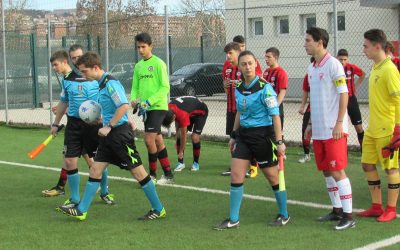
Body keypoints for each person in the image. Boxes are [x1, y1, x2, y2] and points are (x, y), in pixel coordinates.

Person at [59, 52, 166, 221]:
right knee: (95, 169)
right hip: (109, 136)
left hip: (119, 136)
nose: (83, 75)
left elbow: (123, 105)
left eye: (84, 71)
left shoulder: (110, 83)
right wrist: (103, 121)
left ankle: (158, 208)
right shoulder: (101, 84)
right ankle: (82, 210)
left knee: (138, 173)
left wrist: (109, 126)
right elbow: (116, 108)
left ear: (95, 68)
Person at [214, 50, 288, 230]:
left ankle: (284, 214)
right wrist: (233, 135)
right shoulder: (238, 88)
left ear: (256, 64)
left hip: (262, 136)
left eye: (250, 63)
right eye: (243, 64)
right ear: (239, 67)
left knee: (272, 177)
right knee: (236, 174)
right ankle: (233, 219)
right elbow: (239, 111)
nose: (247, 67)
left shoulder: (265, 88)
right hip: (243, 136)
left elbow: (275, 116)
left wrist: (279, 142)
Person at [42, 45, 115, 205]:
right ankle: (74, 197)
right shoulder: (67, 79)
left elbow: (109, 97)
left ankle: (105, 192)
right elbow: (64, 101)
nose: (76, 61)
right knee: (69, 161)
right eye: (73, 58)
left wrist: (106, 117)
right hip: (74, 124)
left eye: (79, 57)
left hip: (94, 124)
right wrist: (55, 123)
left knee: (98, 160)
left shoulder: (97, 77)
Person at [304, 27, 355, 230]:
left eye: (308, 40)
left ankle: (349, 216)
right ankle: (336, 210)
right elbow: (314, 99)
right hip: (318, 130)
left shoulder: (334, 65)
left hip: (334, 129)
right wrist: (309, 124)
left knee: (337, 171)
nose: (305, 44)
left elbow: (344, 94)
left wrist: (340, 123)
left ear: (319, 42)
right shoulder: (312, 68)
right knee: (326, 171)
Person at [357, 29, 400, 222]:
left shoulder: (390, 69)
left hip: (387, 130)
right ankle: (376, 206)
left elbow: (398, 99)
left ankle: (390, 209)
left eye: (366, 46)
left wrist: (397, 129)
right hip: (372, 129)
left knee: (391, 168)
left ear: (377, 46)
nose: (363, 49)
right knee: (367, 164)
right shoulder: (376, 67)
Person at [130, 32, 174, 184]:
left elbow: (165, 87)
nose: (141, 50)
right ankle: (168, 174)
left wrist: (149, 101)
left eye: (143, 47)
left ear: (150, 46)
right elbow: (135, 87)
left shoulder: (158, 63)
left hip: (158, 107)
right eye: (138, 47)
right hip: (145, 109)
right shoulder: (138, 66)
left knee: (149, 140)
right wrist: (133, 99)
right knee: (158, 141)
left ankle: (152, 176)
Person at [221, 41, 259, 178]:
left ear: (238, 52)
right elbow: (226, 88)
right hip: (232, 108)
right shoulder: (227, 66)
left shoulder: (247, 67)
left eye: (230, 53)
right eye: (226, 53)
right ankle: (236, 166)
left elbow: (257, 84)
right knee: (233, 136)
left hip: (247, 111)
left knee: (249, 138)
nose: (228, 56)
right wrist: (225, 85)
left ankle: (253, 167)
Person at [161, 96, 208, 171]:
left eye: (171, 122)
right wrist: (177, 141)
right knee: (179, 135)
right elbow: (177, 129)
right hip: (189, 110)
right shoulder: (169, 108)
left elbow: (184, 136)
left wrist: (181, 151)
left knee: (194, 137)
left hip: (201, 112)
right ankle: (180, 163)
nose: (170, 124)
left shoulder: (182, 114)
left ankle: (196, 163)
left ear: (174, 117)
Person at [337, 49, 366, 150]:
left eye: (345, 59)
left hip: (351, 98)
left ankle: (364, 150)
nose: (343, 62)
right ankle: (340, 150)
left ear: (348, 59)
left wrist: (355, 86)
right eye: (340, 59)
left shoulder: (351, 67)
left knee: (358, 126)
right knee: (339, 126)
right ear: (337, 58)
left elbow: (363, 74)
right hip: (339, 99)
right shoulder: (334, 68)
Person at [263, 47, 288, 130]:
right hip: (266, 105)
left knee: (276, 132)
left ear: (276, 58)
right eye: (265, 57)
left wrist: (275, 106)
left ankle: (279, 141)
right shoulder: (266, 71)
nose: (266, 59)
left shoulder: (281, 72)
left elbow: (282, 92)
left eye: (269, 57)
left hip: (275, 106)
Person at [298, 57, 314, 164]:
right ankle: (306, 155)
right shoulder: (308, 76)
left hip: (325, 111)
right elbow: (305, 92)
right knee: (305, 130)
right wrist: (302, 106)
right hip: (311, 108)